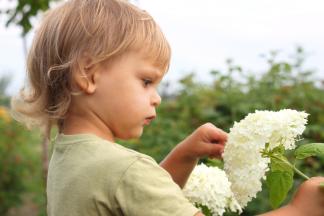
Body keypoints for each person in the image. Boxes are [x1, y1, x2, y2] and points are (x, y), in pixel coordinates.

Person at [11, 0, 324, 215]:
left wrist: (184, 154)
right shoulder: (126, 170)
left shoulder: (70, 155)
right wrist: (299, 210)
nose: (157, 97)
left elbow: (134, 201)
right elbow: (132, 185)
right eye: (147, 81)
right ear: (88, 74)